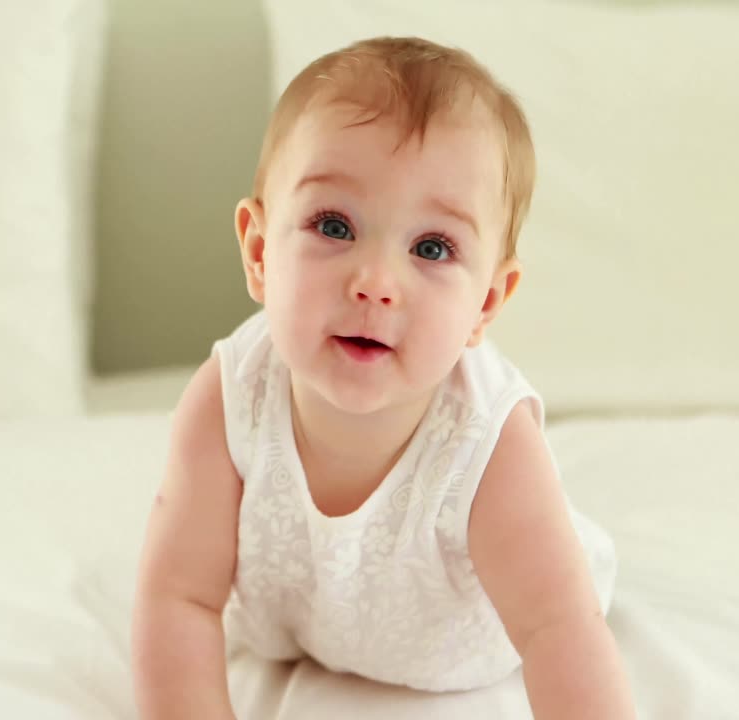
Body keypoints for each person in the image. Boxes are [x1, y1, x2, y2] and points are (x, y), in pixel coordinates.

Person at [131, 36, 634, 720]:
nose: (374, 283)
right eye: (334, 226)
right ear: (257, 252)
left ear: (486, 302)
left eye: (432, 247)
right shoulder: (229, 398)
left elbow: (557, 629)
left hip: (465, 647)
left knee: (557, 578)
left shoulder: (489, 441)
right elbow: (179, 596)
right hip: (303, 627)